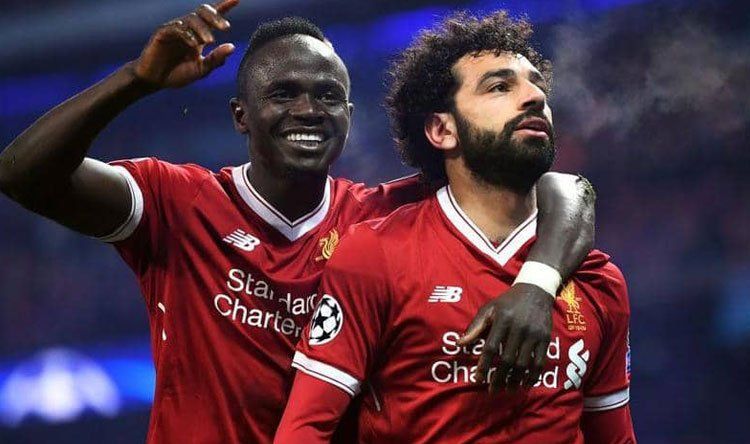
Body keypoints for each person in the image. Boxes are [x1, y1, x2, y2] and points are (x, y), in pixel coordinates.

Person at [0, 2, 595, 443]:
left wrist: (536, 285)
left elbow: (565, 190)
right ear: (241, 115)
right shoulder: (177, 203)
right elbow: (21, 173)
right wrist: (136, 79)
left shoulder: (382, 218)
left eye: (328, 96)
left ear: (349, 114)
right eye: (283, 94)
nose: (309, 110)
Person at [274, 10, 634, 444]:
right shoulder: (376, 254)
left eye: (537, 85)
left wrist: (538, 285)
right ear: (443, 129)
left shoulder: (600, 281)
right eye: (499, 87)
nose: (534, 97)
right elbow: (305, 429)